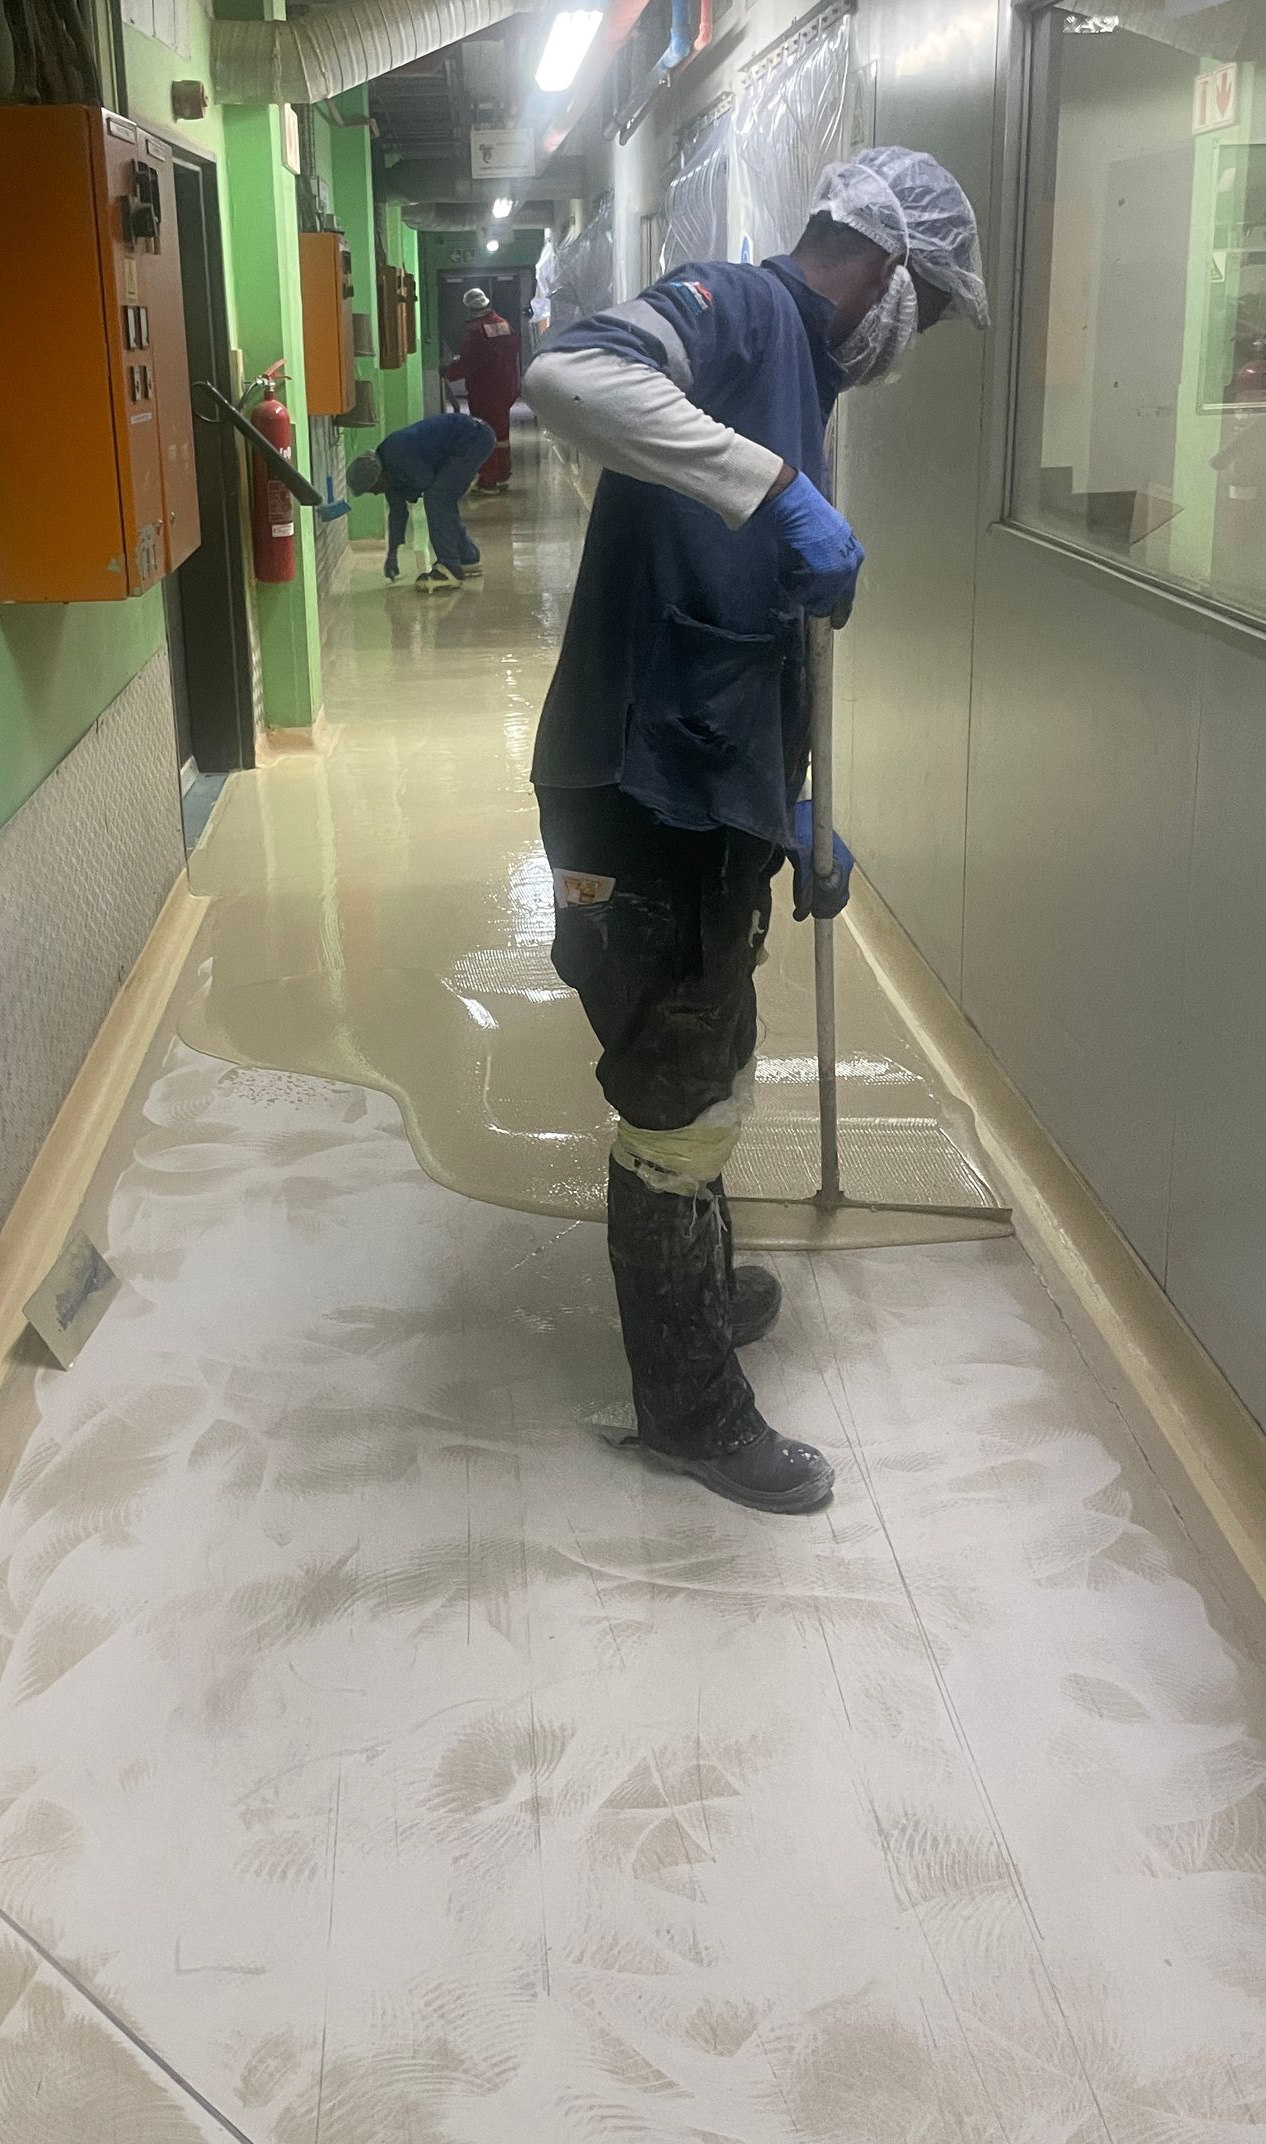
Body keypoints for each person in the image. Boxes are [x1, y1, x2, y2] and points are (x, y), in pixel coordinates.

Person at [521, 147, 989, 1516]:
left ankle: (701, 1286)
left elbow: (743, 627)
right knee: (683, 1094)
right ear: (883, 270)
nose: (923, 337)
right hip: (636, 792)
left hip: (706, 789)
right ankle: (689, 1410)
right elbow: (570, 376)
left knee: (710, 1036)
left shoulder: (806, 373)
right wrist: (775, 489)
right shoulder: (736, 307)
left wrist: (792, 811)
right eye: (932, 306)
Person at [346, 409, 497, 592]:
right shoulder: (389, 474)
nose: (376, 494)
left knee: (438, 498)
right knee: (441, 499)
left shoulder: (396, 455)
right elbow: (398, 514)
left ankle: (449, 568)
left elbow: (425, 481)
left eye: (372, 489)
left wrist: (408, 492)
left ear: (378, 478)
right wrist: (392, 554)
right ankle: (467, 558)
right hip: (466, 439)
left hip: (474, 438)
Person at [444, 287, 522, 491]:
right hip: (507, 387)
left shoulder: (475, 330)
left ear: (469, 308)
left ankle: (489, 481)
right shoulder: (504, 324)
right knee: (502, 432)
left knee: (485, 434)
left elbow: (471, 361)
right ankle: (503, 472)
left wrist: (449, 371)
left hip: (485, 391)